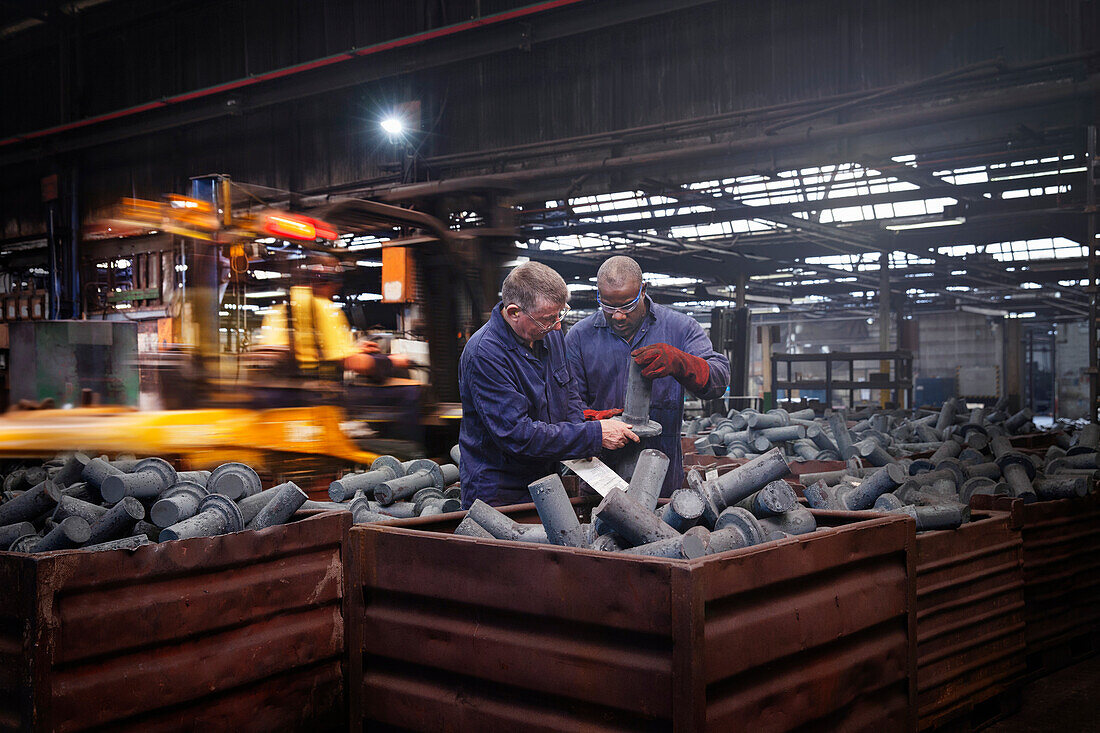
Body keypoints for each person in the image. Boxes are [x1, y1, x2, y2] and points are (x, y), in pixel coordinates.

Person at [459, 261, 639, 508]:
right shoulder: (485, 354)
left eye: (560, 314)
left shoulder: (549, 335)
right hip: (501, 493)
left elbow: (569, 393)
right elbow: (518, 436)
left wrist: (581, 440)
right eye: (547, 319)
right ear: (514, 312)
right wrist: (593, 435)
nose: (557, 326)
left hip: (547, 480)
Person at [565, 255, 730, 497]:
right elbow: (564, 405)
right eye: (608, 307)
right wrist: (595, 422)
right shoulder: (579, 337)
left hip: (663, 482)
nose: (618, 316)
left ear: (643, 290)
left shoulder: (680, 329)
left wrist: (681, 362)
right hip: (600, 482)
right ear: (598, 296)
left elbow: (719, 380)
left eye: (627, 306)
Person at [256, 259, 409, 379]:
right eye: (336, 285)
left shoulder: (279, 308)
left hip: (274, 392)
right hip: (313, 395)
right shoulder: (324, 307)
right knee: (409, 392)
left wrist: (354, 349)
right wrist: (392, 361)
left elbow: (307, 350)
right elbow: (351, 362)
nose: (336, 291)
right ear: (329, 283)